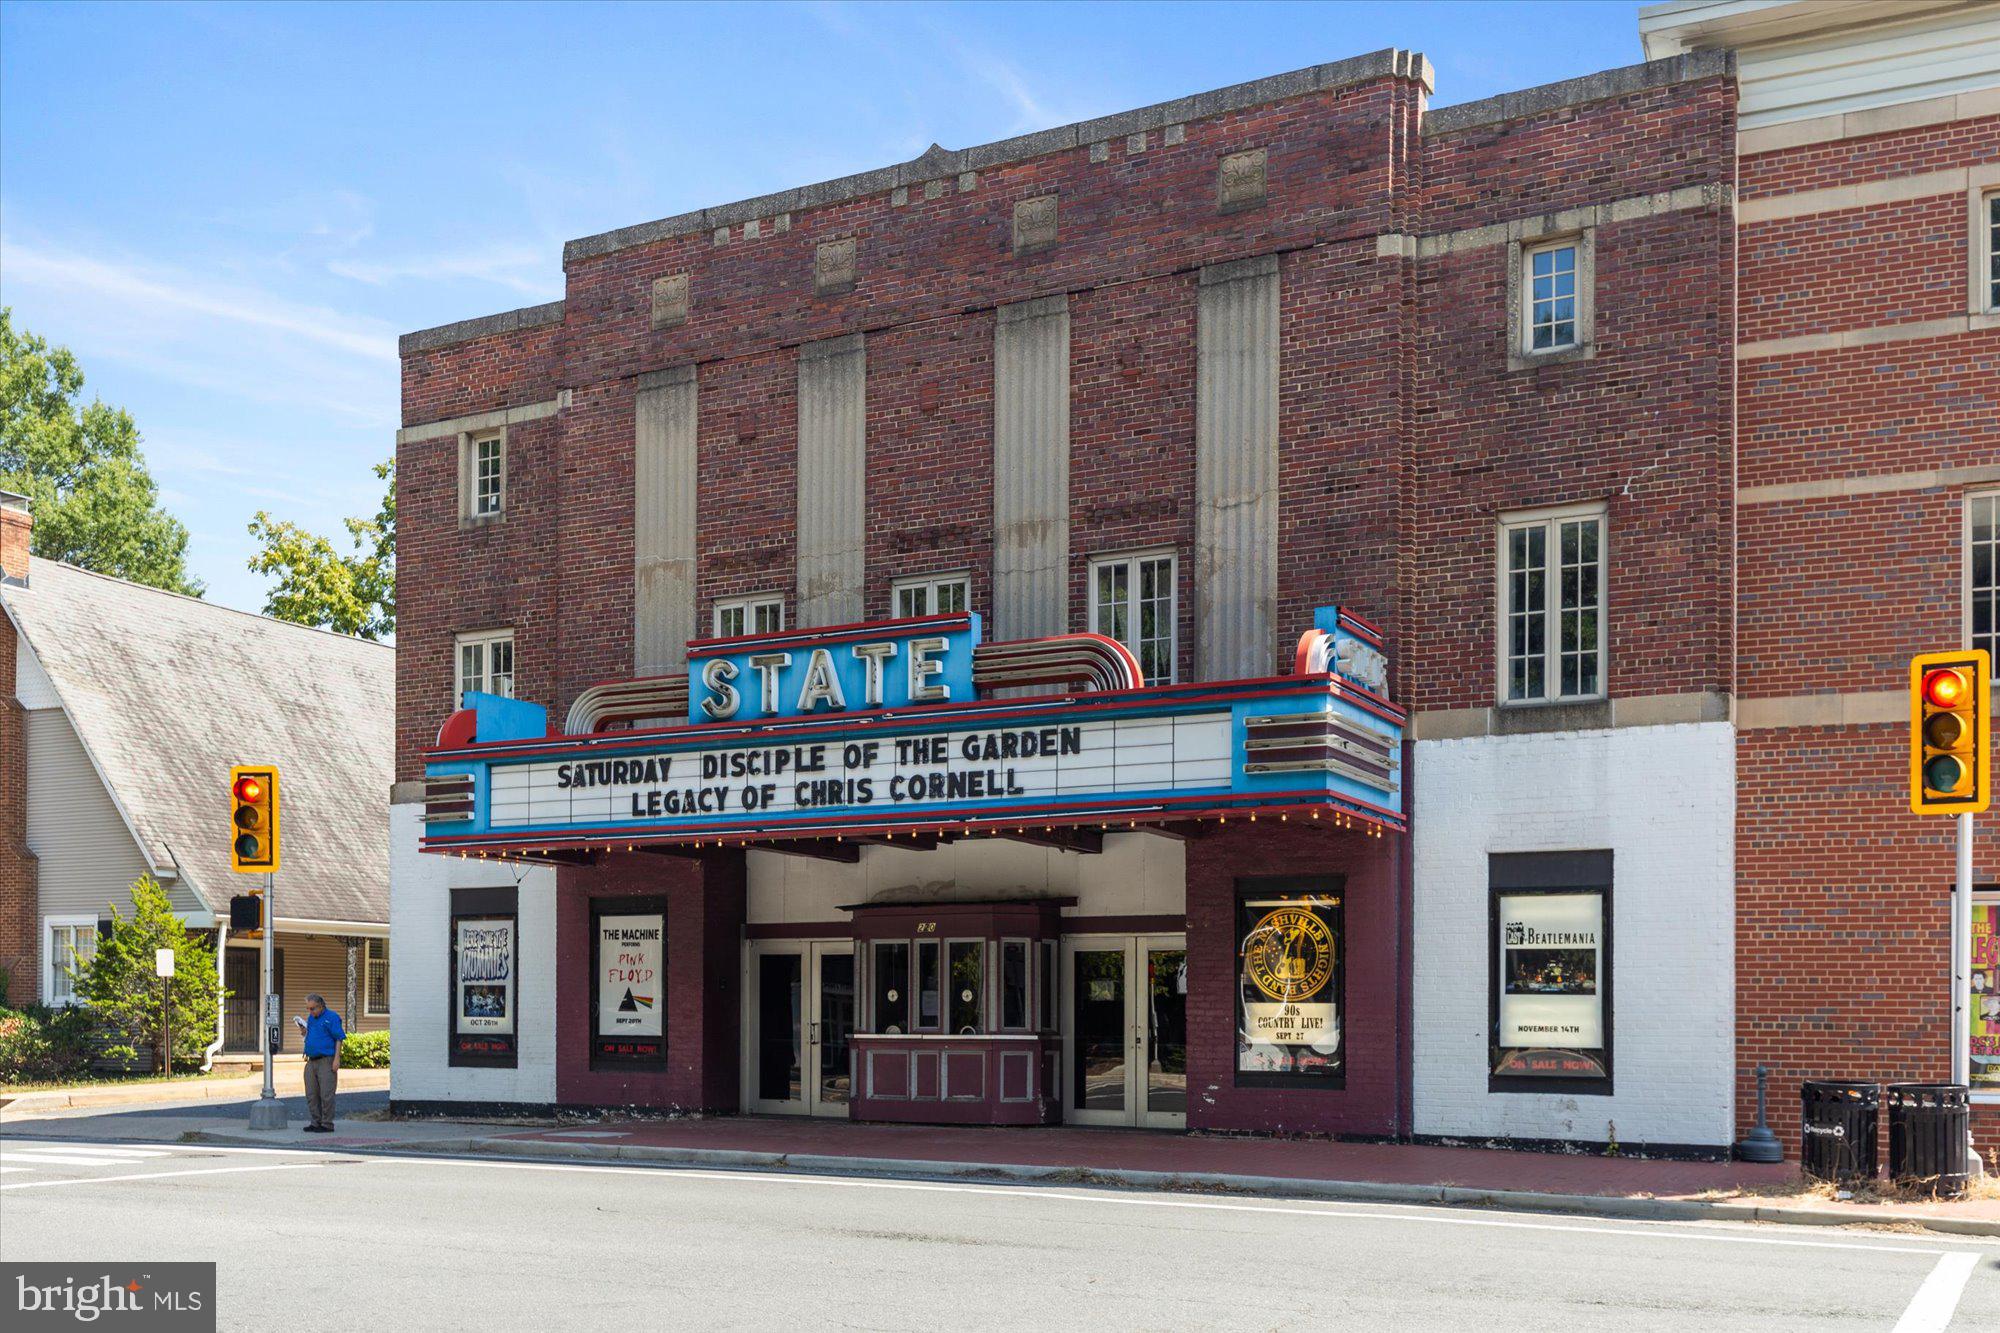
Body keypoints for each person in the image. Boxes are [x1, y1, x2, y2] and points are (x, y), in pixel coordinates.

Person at [295, 993, 346, 1132]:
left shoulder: (332, 1017)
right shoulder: (311, 1018)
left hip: (326, 1059)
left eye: (313, 1009)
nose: (310, 1012)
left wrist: (337, 1059)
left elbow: (339, 1038)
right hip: (311, 1060)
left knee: (326, 1094)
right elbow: (312, 1035)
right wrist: (304, 1032)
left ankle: (327, 1123)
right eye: (308, 1009)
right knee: (311, 1094)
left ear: (321, 1006)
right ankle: (315, 1122)